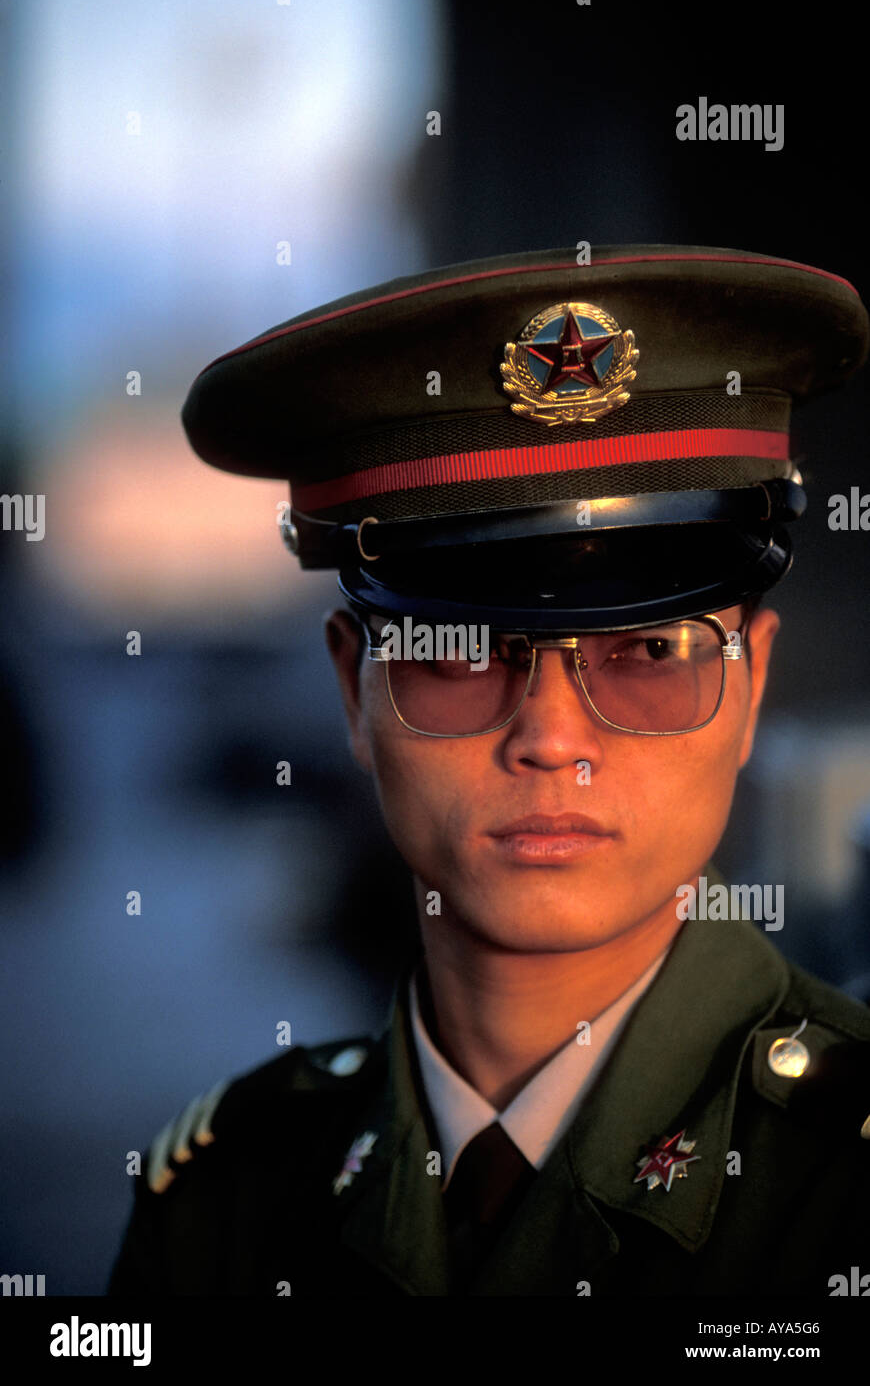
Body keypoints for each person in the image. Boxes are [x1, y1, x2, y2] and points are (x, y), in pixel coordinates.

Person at [107, 245, 870, 1297]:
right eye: (461, 651)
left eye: (651, 652)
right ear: (351, 691)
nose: (552, 737)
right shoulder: (222, 1198)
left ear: (753, 687)